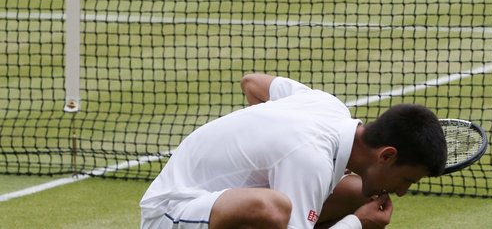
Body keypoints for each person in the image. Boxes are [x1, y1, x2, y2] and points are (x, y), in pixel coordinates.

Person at [140, 73, 447, 229]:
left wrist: (263, 146)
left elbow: (254, 83)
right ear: (386, 155)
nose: (403, 191)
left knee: (356, 192)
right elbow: (254, 85)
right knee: (271, 207)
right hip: (170, 213)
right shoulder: (310, 160)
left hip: (216, 201)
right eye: (407, 179)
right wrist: (357, 224)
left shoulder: (330, 106)